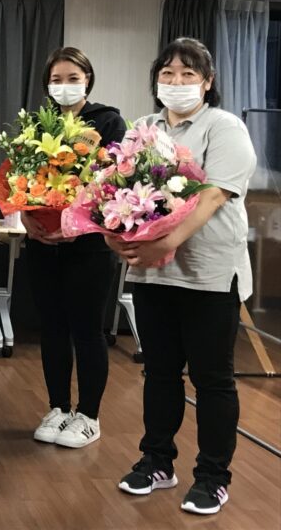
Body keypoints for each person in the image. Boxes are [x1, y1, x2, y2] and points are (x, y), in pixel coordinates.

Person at [111, 38, 257, 516]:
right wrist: (115, 237)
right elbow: (115, 191)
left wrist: (166, 242)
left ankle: (213, 476)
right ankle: (157, 461)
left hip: (208, 273)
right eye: (167, 74)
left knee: (212, 379)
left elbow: (214, 195)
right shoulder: (143, 128)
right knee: (159, 372)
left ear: (207, 82)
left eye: (188, 74)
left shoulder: (224, 127)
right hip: (153, 276)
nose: (176, 83)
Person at [25, 47, 126, 449]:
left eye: (73, 78)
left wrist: (76, 225)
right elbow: (21, 178)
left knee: (87, 330)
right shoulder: (36, 124)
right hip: (43, 242)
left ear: (88, 80)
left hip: (88, 246)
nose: (64, 86)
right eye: (56, 79)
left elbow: (113, 182)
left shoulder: (108, 121)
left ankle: (88, 416)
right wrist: (26, 217)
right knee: (52, 328)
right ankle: (58, 408)